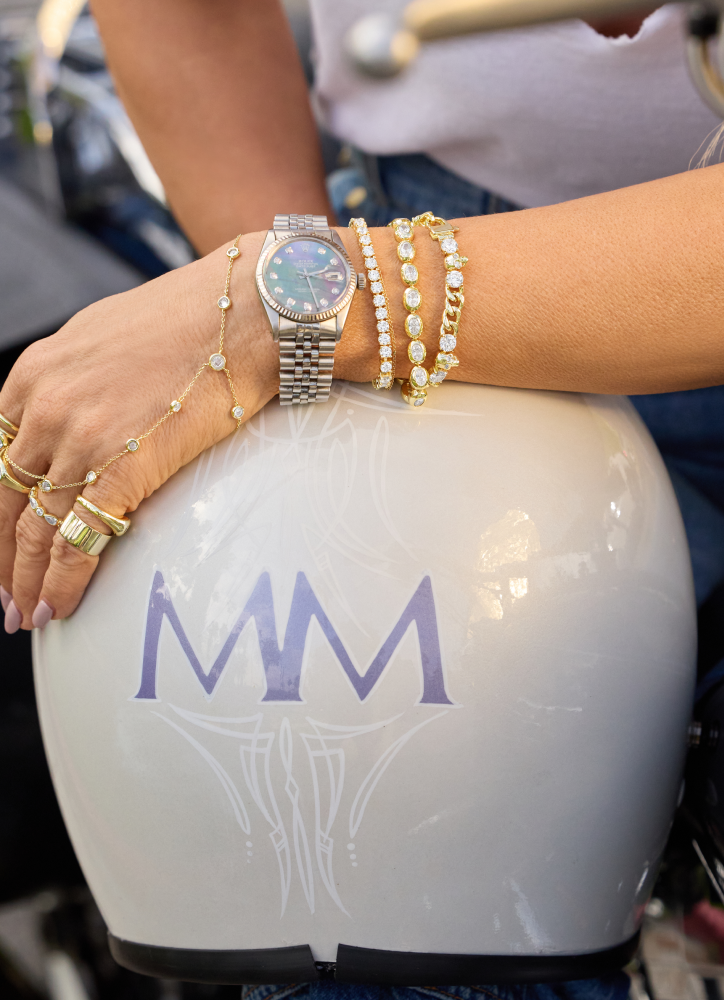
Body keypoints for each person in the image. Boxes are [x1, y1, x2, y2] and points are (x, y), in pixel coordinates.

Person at [2, 1, 724, 997]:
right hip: (420, 219)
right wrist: (290, 306)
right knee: (375, 918)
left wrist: (302, 305)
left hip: (380, 275)